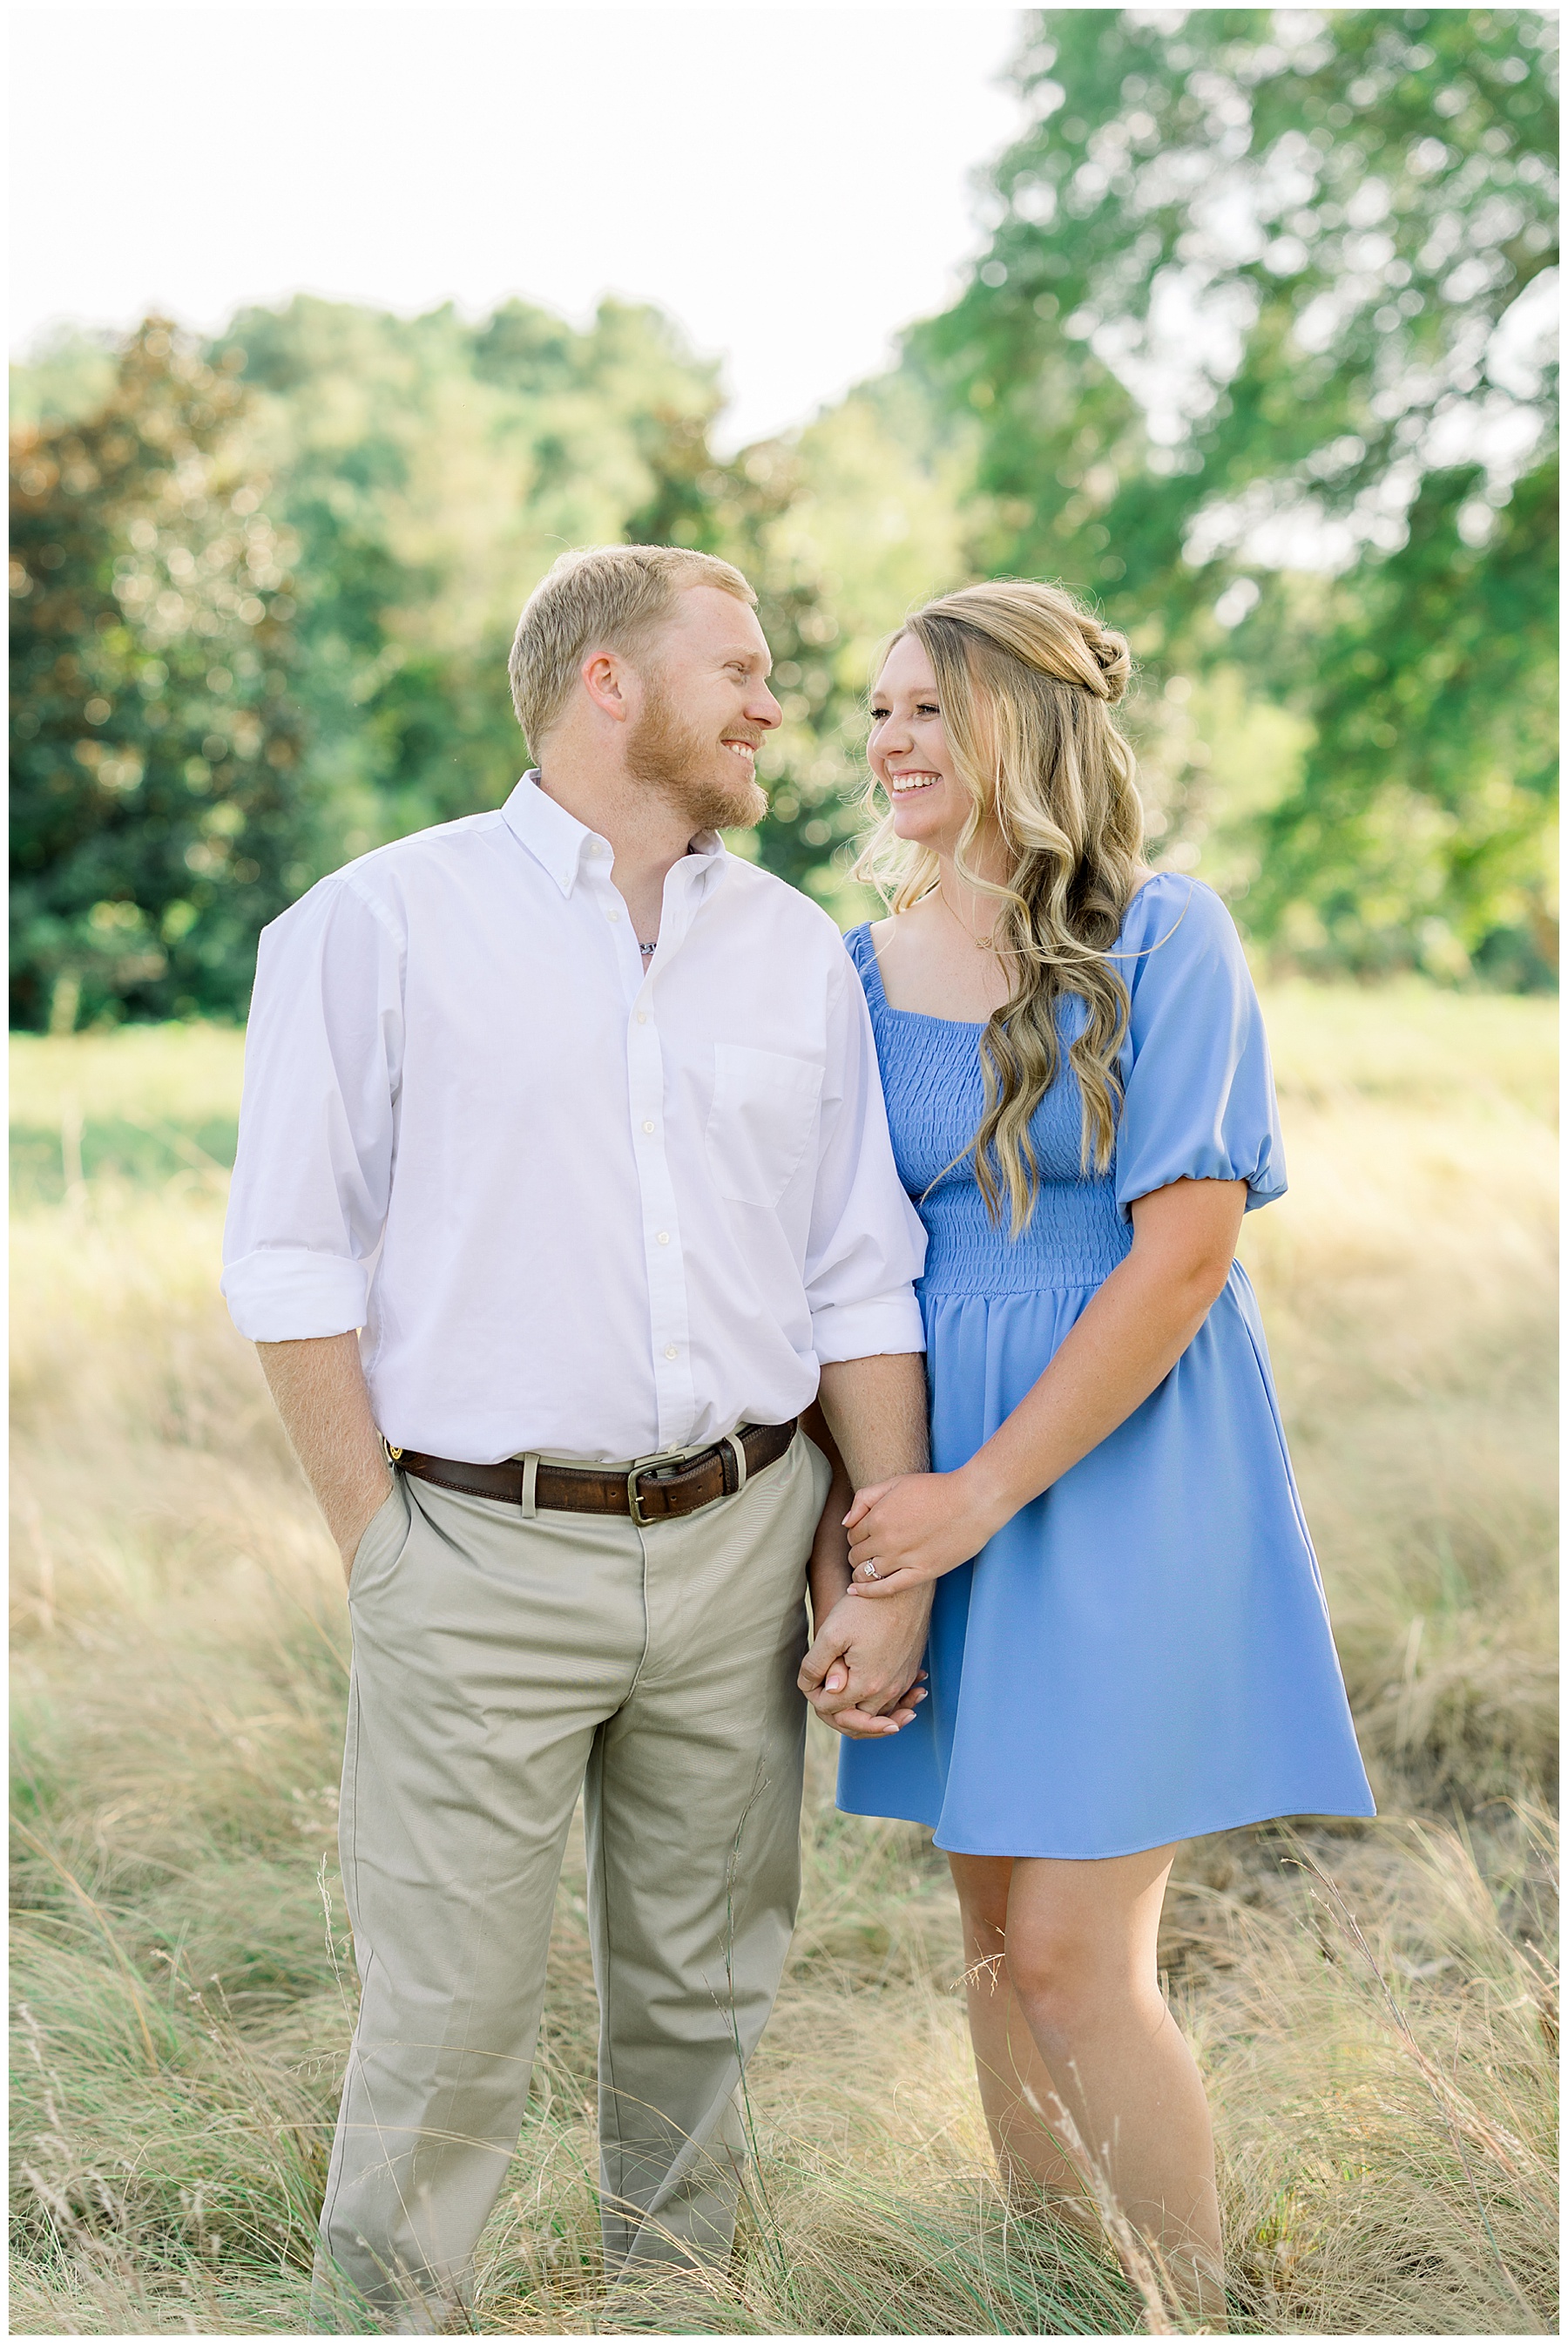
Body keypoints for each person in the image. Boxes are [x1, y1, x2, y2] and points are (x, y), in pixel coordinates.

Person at [220, 544, 936, 2332]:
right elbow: (290, 1257)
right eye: (740, 668)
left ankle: (678, 2311)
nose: (778, 705)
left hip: (743, 1543)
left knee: (705, 2004)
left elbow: (856, 1273)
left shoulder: (793, 952)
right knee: (450, 2023)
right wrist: (380, 1548)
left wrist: (885, 1557)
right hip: (474, 1554)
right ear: (606, 681)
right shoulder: (376, 925)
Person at [800, 579, 1375, 2318]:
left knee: (1070, 1950)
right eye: (878, 709)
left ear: (1026, 724)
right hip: (928, 1464)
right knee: (993, 1946)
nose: (890, 740)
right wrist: (871, 1550)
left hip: (1120, 1468)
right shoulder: (849, 971)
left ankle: (1186, 2310)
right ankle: (1060, 2299)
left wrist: (980, 1498)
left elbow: (1185, 1252)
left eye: (928, 707)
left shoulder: (1165, 935)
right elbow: (839, 1273)